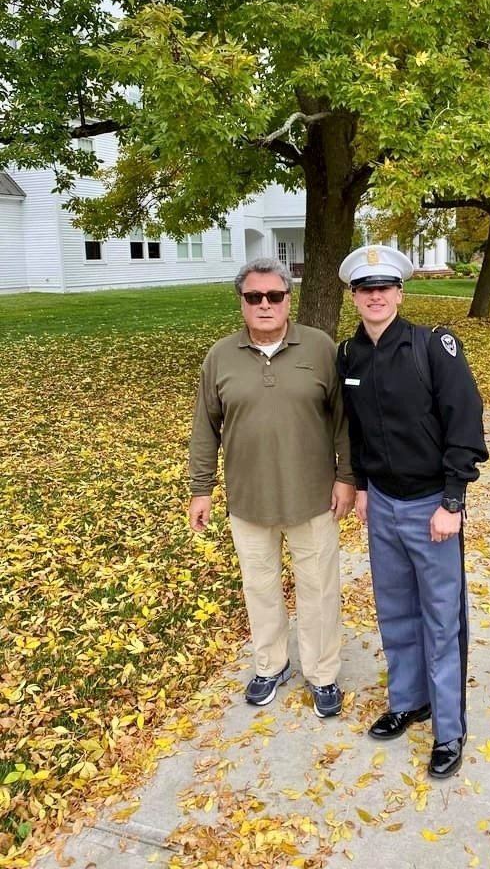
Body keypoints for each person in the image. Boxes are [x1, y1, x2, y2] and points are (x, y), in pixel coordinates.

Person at [337, 245, 489, 779]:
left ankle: (450, 728)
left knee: (441, 620)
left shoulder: (434, 346)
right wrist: (357, 486)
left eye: (384, 287)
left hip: (432, 507)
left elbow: (465, 424)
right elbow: (355, 431)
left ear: (400, 292)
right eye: (365, 288)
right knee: (395, 609)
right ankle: (409, 700)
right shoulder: (348, 354)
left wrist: (453, 499)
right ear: (354, 296)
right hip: (381, 503)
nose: (375, 296)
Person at [188, 257, 355, 718]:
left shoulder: (319, 348)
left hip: (313, 497)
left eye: (275, 296)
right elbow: (206, 427)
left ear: (288, 298)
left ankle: (322, 674)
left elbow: (344, 421)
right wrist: (201, 489)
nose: (265, 304)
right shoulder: (221, 356)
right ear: (241, 302)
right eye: (254, 297)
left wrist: (347, 478)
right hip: (248, 500)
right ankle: (270, 664)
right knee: (259, 586)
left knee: (319, 588)